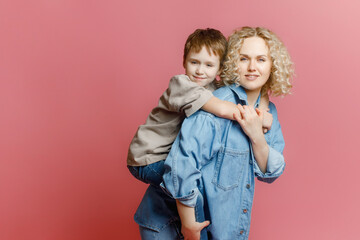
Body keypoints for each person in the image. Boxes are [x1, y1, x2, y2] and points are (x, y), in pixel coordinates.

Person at [161, 26, 294, 240]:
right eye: (243, 59)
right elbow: (182, 166)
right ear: (231, 62)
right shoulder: (216, 104)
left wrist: (256, 134)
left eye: (261, 59)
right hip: (178, 225)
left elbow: (272, 171)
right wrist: (189, 225)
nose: (252, 67)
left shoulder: (269, 112)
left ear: (273, 66)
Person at [127, 28, 272, 187]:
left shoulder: (212, 87)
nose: (200, 71)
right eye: (194, 62)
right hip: (149, 159)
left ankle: (159, 210)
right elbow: (223, 109)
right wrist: (257, 118)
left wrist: (264, 107)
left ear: (220, 69)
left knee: (180, 188)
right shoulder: (182, 85)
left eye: (209, 65)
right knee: (194, 183)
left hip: (168, 156)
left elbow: (254, 90)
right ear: (184, 61)